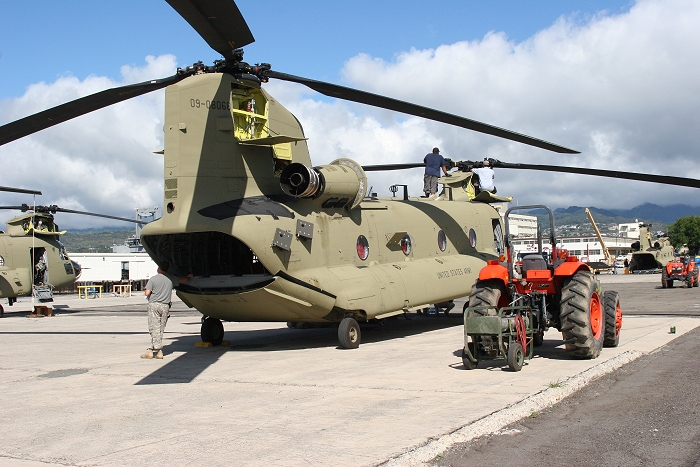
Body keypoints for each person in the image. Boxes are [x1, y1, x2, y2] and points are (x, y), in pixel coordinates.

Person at [141, 262, 191, 359]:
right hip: (165, 306)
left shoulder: (153, 279)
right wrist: (189, 277)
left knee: (153, 327)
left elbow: (147, 293)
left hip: (154, 305)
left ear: (159, 268)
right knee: (160, 328)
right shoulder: (171, 278)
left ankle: (158, 350)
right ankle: (150, 349)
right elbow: (182, 280)